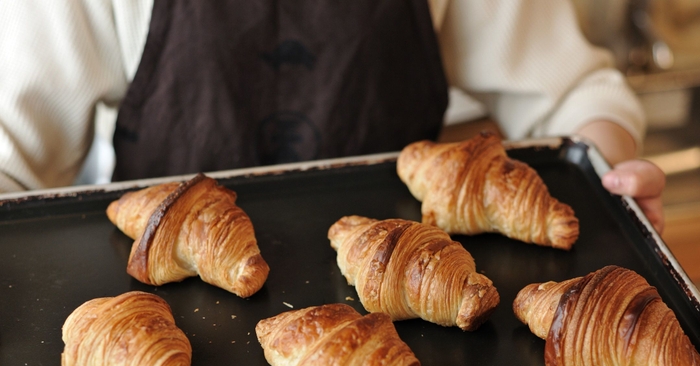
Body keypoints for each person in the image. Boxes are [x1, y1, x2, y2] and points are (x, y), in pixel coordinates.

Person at [0, 0, 665, 232]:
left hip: (403, 325)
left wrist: (612, 180)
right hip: (160, 330)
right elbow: (10, 160)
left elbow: (578, 93)